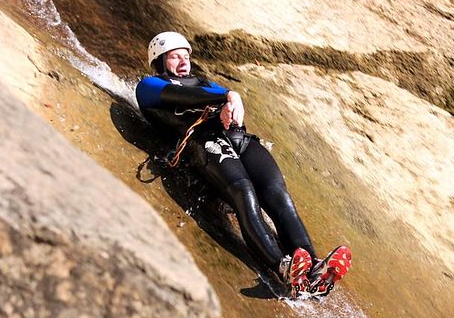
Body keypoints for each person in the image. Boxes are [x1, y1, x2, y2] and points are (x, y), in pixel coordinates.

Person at [135, 31, 351, 298]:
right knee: (243, 191)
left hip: (240, 140)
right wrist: (226, 97)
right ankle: (283, 269)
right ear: (159, 61)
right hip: (205, 143)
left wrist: (229, 100)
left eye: (186, 56)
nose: (183, 62)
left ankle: (312, 269)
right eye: (175, 57)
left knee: (277, 193)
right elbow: (182, 98)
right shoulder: (149, 86)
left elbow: (222, 96)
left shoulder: (204, 83)